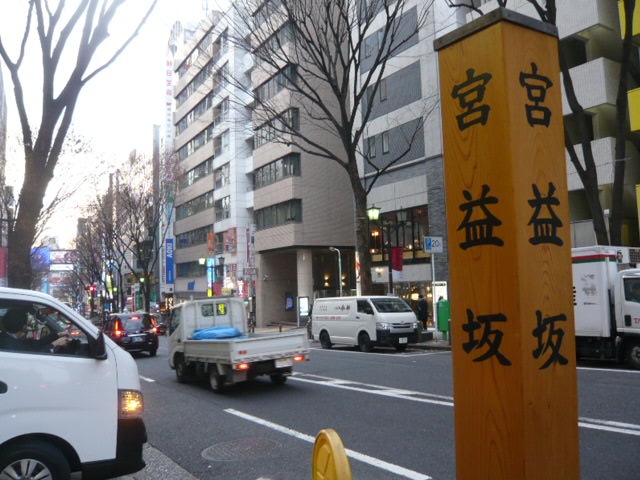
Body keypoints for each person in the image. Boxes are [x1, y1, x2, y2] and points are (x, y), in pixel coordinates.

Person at [0, 308, 70, 353]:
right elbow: (33, 358)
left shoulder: (8, 338)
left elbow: (35, 344)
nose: (29, 325)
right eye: (28, 323)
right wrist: (54, 345)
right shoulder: (12, 347)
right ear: (24, 327)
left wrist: (58, 335)